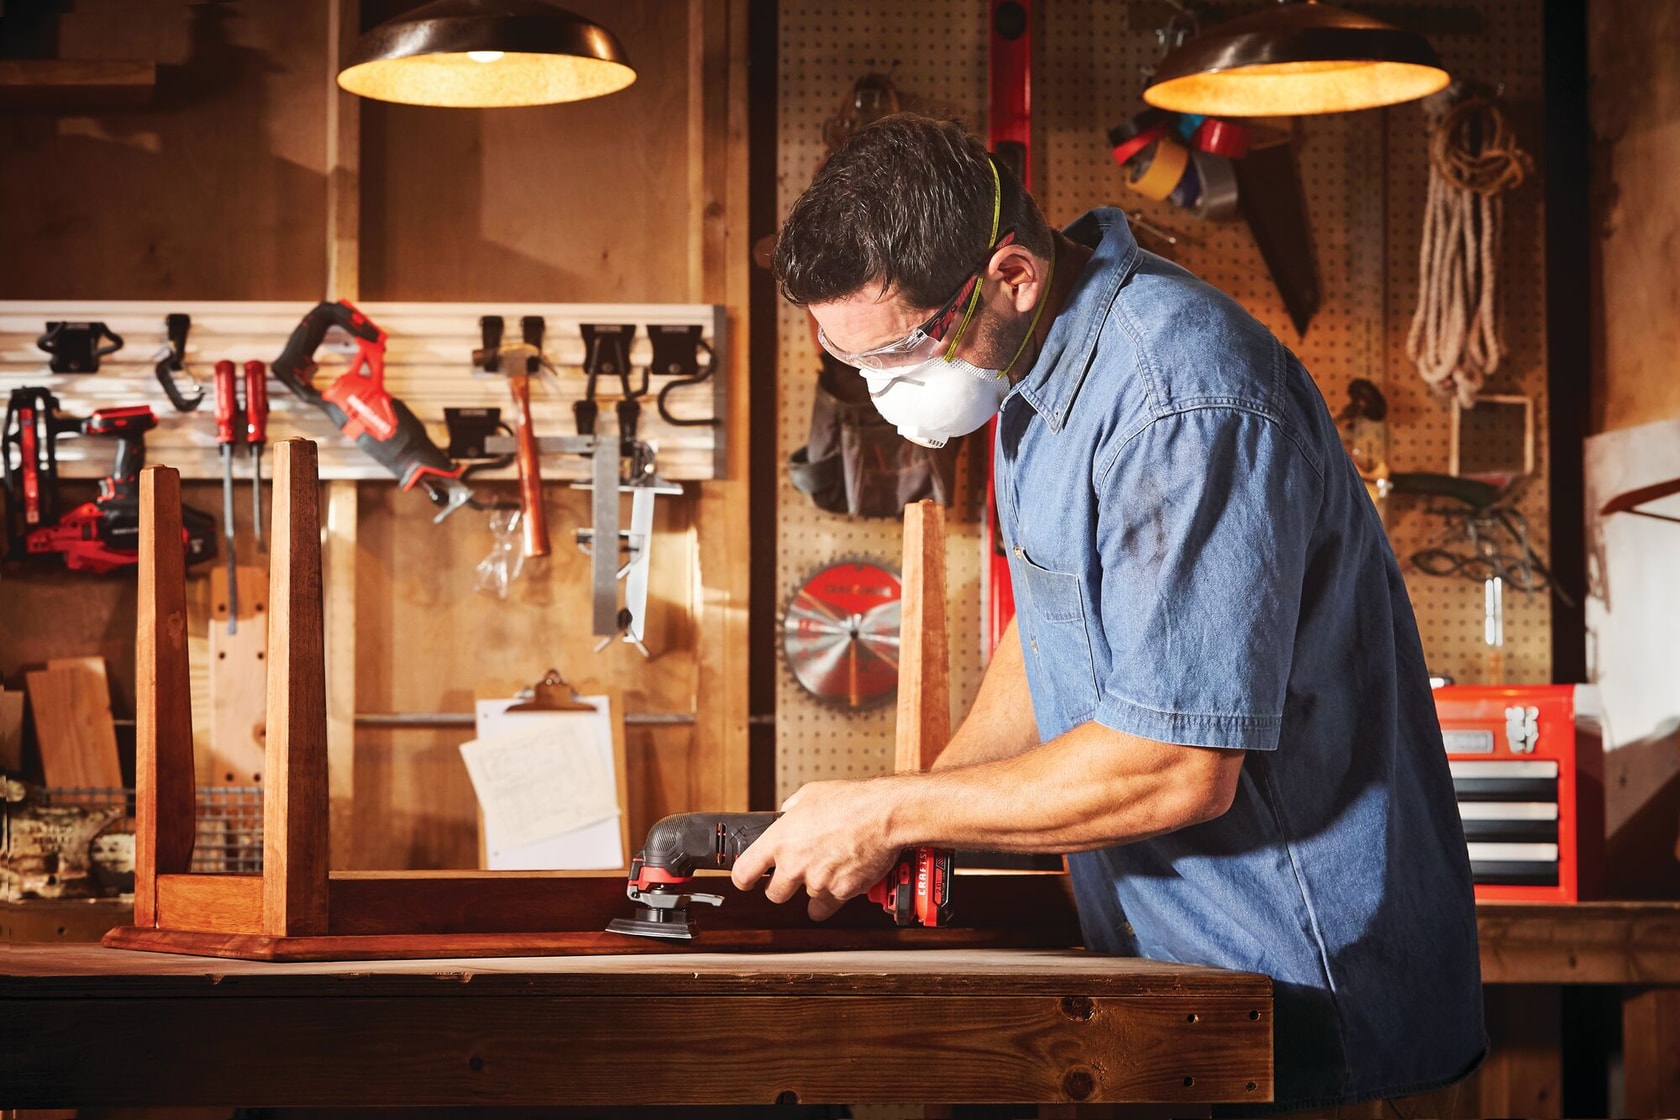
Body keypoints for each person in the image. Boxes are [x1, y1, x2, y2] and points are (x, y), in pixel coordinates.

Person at [733, 112, 1485, 1113]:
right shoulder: (1033, 379)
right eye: (854, 362)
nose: (882, 391)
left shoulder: (1181, 401)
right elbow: (1051, 631)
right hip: (1179, 985)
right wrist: (928, 808)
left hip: (1304, 997)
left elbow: (1177, 764)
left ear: (1012, 277)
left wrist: (891, 808)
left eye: (903, 352)